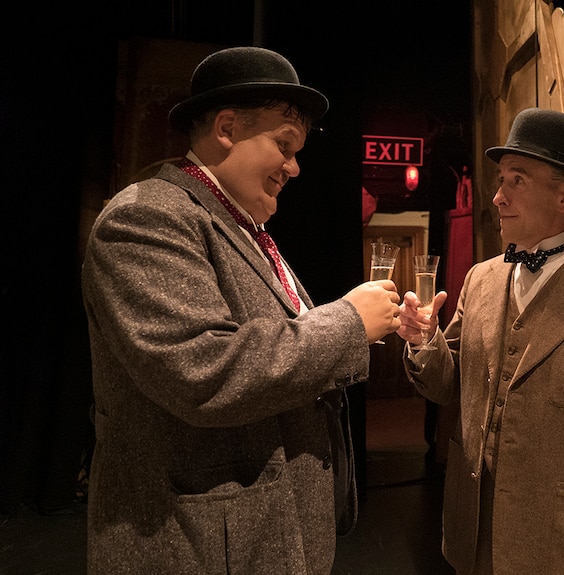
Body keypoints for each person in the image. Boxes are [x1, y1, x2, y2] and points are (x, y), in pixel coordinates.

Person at [81, 46, 401, 574]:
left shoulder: (241, 228)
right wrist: (348, 321)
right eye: (284, 144)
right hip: (195, 544)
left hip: (261, 532)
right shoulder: (146, 219)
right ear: (227, 127)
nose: (294, 168)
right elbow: (204, 371)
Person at [397, 107, 564, 574]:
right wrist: (425, 341)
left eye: (516, 180)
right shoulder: (482, 278)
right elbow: (448, 387)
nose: (498, 195)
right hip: (472, 541)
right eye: (500, 179)